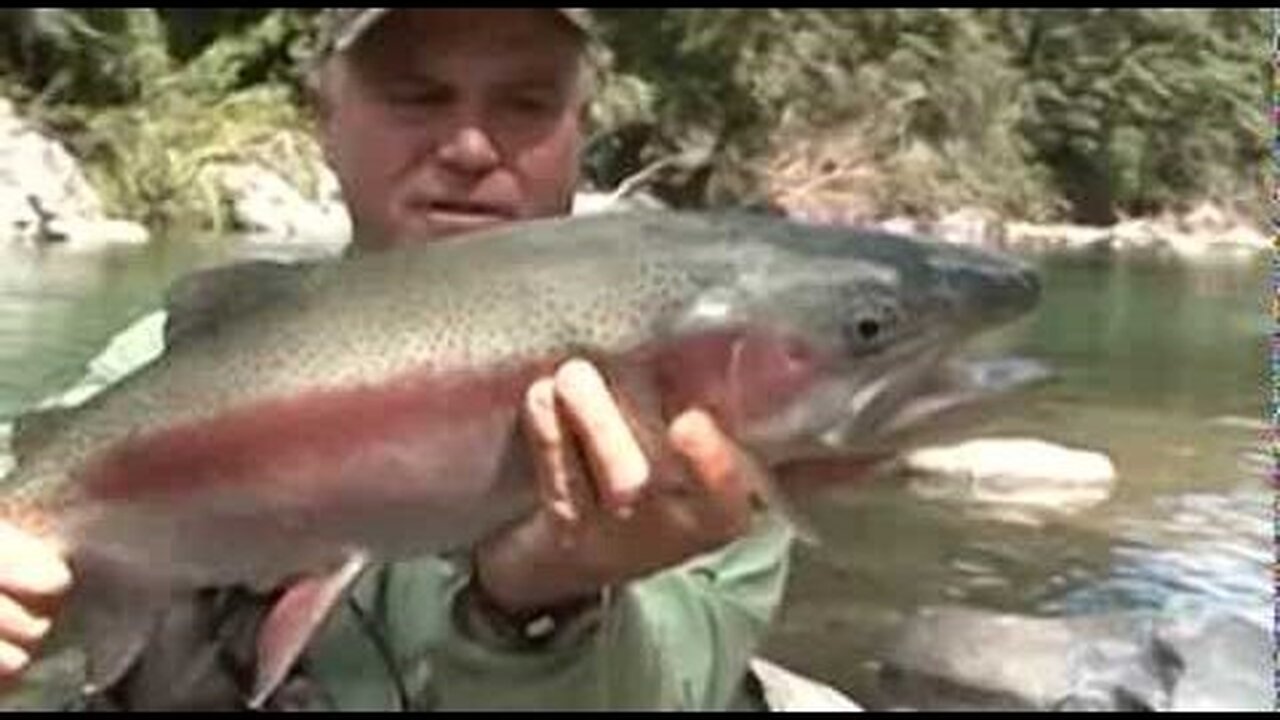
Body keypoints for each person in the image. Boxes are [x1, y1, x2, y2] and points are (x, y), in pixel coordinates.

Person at [0, 8, 811, 711]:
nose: (466, 145)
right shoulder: (157, 370)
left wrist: (542, 604)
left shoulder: (705, 401)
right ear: (327, 121)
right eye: (417, 96)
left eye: (526, 103)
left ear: (580, 134)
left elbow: (683, 689)